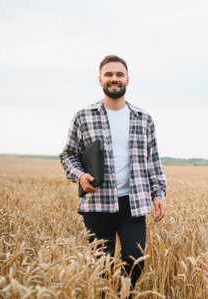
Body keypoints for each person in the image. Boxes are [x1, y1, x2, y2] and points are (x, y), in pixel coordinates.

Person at [60, 54, 166, 292]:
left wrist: (158, 194)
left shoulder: (144, 118)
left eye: (119, 74)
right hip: (98, 204)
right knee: (102, 268)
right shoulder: (83, 116)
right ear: (100, 80)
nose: (114, 79)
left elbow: (154, 161)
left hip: (133, 203)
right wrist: (79, 176)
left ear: (128, 79)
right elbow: (68, 155)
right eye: (109, 74)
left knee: (135, 260)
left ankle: (121, 295)